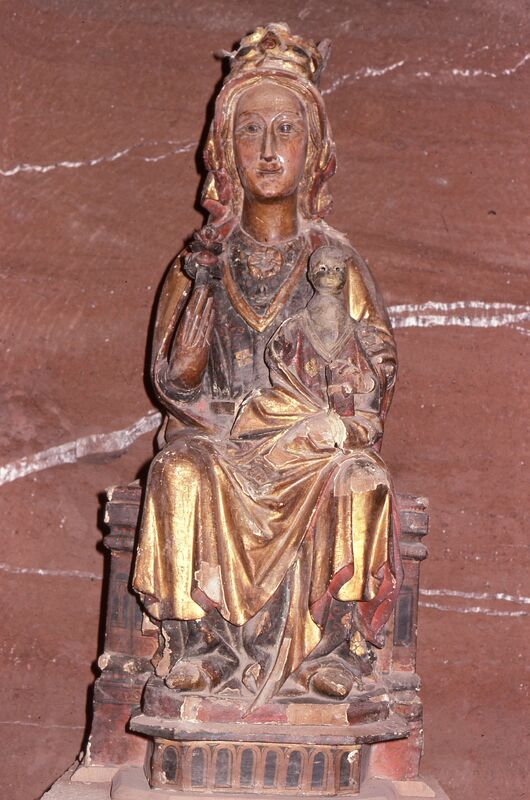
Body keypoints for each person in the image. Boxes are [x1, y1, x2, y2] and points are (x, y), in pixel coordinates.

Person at [132, 24, 401, 707]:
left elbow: (377, 364)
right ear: (225, 149)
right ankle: (202, 646)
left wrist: (340, 400)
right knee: (179, 472)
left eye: (286, 129)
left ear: (314, 151)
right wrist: (202, 285)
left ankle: (335, 648)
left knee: (361, 479)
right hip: (221, 443)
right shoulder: (199, 260)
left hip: (306, 449)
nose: (269, 149)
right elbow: (172, 381)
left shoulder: (333, 260)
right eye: (250, 131)